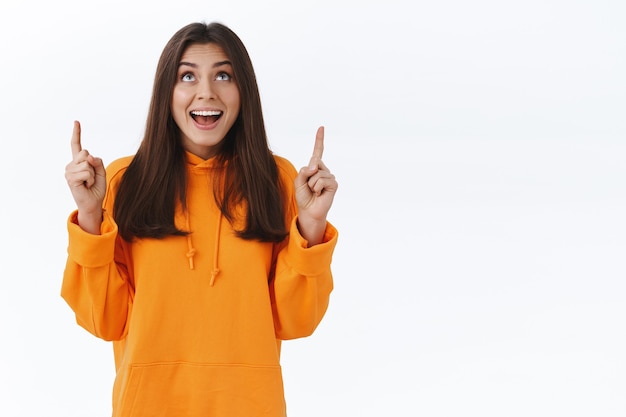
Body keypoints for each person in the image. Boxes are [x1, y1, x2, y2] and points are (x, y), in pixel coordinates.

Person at [62, 21, 338, 417]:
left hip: (251, 406)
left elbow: (296, 322)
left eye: (223, 75)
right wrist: (90, 215)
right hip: (147, 405)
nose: (205, 92)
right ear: (166, 93)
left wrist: (311, 225)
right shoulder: (127, 182)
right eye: (187, 76)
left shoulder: (276, 181)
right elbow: (103, 320)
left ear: (244, 92)